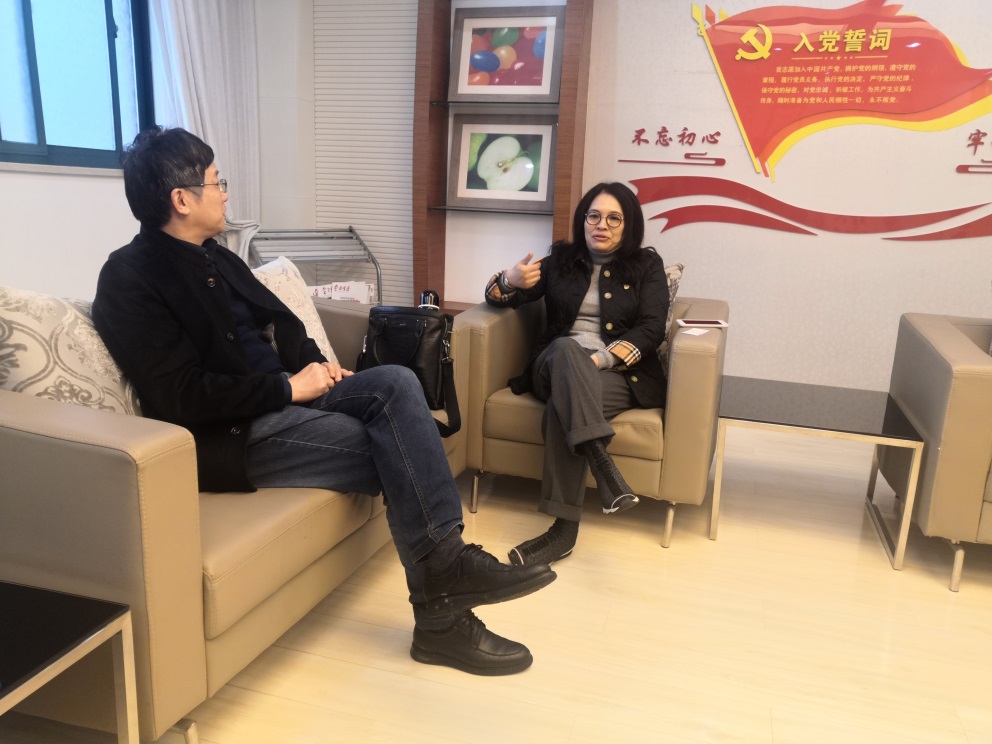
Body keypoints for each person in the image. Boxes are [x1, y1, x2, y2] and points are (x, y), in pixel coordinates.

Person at [92, 126, 556, 677]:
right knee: (402, 445)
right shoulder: (129, 278)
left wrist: (320, 366)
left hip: (290, 402)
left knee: (396, 382)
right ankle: (443, 612)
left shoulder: (217, 258)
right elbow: (179, 395)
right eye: (217, 183)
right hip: (234, 434)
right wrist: (288, 388)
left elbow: (283, 324)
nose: (226, 194)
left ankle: (445, 581)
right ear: (181, 199)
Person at [484, 182, 670, 566]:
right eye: (594, 216)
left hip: (616, 373)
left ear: (629, 225)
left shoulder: (647, 266)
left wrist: (600, 360)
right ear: (583, 220)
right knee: (567, 350)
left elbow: (652, 329)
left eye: (614, 219)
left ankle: (563, 532)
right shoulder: (560, 260)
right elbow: (498, 297)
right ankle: (602, 464)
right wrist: (508, 281)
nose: (601, 225)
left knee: (563, 404)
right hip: (553, 363)